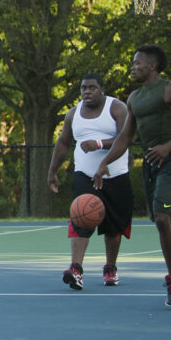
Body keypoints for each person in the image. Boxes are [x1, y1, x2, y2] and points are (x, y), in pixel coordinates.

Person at [94, 45, 171, 306]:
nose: (133, 67)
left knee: (163, 218)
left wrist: (168, 146)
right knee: (165, 223)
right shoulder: (134, 98)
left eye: (137, 63)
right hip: (150, 165)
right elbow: (125, 137)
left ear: (152, 66)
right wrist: (104, 163)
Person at [47, 73, 133, 289]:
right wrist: (52, 171)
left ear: (102, 89)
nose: (87, 91)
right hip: (84, 175)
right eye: (83, 88)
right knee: (80, 217)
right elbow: (64, 142)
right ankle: (76, 268)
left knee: (114, 227)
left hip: (115, 176)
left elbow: (126, 137)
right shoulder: (73, 114)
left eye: (92, 87)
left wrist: (100, 144)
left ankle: (110, 268)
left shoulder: (117, 108)